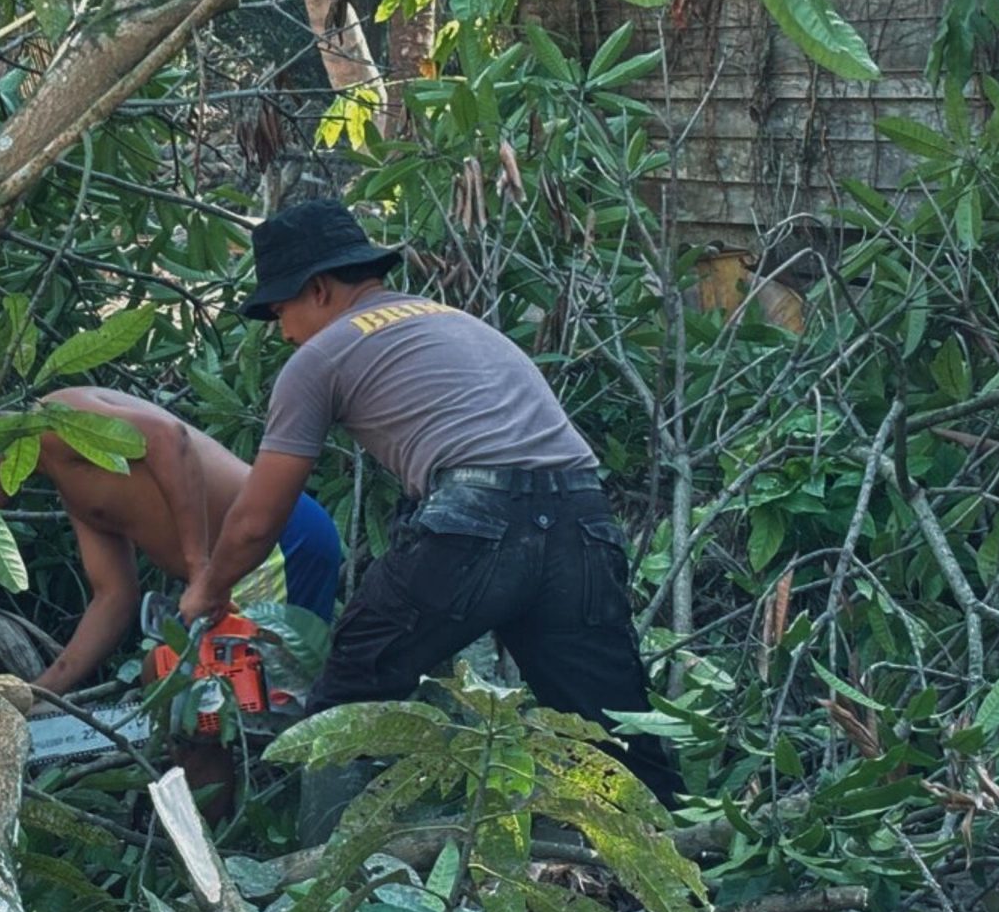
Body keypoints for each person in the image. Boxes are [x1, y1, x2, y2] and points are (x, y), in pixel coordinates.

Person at [179, 198, 681, 807]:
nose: (282, 332)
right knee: (610, 728)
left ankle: (323, 881)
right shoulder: (453, 320)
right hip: (582, 516)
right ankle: (677, 869)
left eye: (280, 311)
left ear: (317, 291)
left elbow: (259, 518)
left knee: (346, 708)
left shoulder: (321, 355)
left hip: (474, 521)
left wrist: (210, 588)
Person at [0, 381, 342, 696]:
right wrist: (38, 691)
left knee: (255, 707)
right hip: (240, 568)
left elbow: (166, 440)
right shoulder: (71, 487)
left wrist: (200, 572)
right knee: (172, 686)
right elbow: (113, 597)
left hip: (275, 543)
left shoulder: (55, 417)